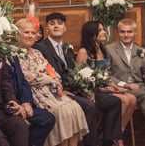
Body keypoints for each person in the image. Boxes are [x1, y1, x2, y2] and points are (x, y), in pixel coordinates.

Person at [33, 12, 123, 146]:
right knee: (89, 106)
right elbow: (41, 72)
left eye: (60, 24)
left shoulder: (67, 48)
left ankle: (108, 142)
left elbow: (76, 74)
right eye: (52, 24)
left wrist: (89, 90)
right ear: (47, 29)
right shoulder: (40, 48)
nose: (56, 26)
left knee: (114, 101)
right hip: (57, 92)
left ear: (65, 28)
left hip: (75, 89)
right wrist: (60, 90)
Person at [16, 16, 88, 146]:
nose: (31, 36)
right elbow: (27, 77)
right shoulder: (15, 54)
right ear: (17, 34)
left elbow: (51, 70)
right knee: (63, 112)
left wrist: (57, 82)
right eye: (26, 32)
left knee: (75, 108)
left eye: (33, 33)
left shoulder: (37, 52)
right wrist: (50, 80)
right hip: (36, 93)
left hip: (51, 89)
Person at [76, 20, 137, 146]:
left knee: (132, 98)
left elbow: (106, 75)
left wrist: (115, 87)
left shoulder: (102, 49)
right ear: (92, 34)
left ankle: (115, 133)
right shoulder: (84, 52)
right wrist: (107, 90)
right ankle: (113, 138)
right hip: (91, 92)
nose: (104, 32)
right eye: (101, 30)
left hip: (104, 88)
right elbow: (80, 79)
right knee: (124, 100)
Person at [106, 18, 145, 139]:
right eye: (122, 32)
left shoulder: (143, 52)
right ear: (117, 32)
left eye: (129, 32)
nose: (126, 35)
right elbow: (106, 74)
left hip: (140, 88)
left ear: (135, 33)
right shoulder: (109, 49)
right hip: (119, 88)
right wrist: (125, 84)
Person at [6, 45, 56, 146]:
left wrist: (26, 101)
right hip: (8, 104)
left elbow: (23, 81)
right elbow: (2, 88)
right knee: (20, 126)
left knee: (48, 118)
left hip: (22, 101)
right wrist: (17, 105)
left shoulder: (13, 55)